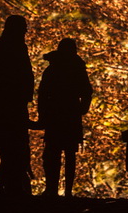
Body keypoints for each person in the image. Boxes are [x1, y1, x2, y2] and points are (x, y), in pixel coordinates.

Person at [0, 15, 35, 196]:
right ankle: (5, 186)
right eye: (22, 28)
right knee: (11, 146)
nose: (25, 32)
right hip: (8, 106)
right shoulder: (12, 48)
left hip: (2, 106)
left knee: (2, 147)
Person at [37, 38, 93, 198]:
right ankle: (67, 190)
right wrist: (82, 108)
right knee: (69, 153)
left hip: (55, 114)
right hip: (71, 114)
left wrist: (42, 114)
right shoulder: (77, 69)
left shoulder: (52, 69)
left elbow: (42, 94)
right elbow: (87, 91)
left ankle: (52, 189)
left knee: (53, 153)